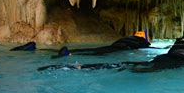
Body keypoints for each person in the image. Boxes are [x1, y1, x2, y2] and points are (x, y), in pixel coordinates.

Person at [37, 33, 184, 72]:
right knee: (143, 68)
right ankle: (79, 66)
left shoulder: (180, 40)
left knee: (98, 52)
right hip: (178, 61)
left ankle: (74, 61)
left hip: (164, 56)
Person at [10, 31, 151, 58]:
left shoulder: (127, 38)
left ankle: (37, 49)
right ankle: (67, 54)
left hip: (112, 46)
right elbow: (147, 47)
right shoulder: (140, 42)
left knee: (88, 49)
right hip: (114, 49)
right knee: (94, 53)